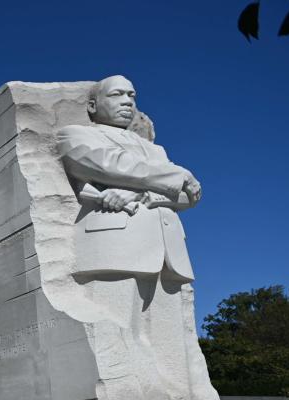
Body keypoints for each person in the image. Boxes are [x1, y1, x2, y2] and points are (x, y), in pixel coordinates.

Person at [56, 74, 202, 283]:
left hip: (170, 254)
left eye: (131, 96)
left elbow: (190, 196)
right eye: (117, 94)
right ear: (92, 106)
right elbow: (111, 165)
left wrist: (140, 194)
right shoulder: (75, 135)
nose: (127, 101)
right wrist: (180, 175)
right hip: (113, 245)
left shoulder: (156, 150)